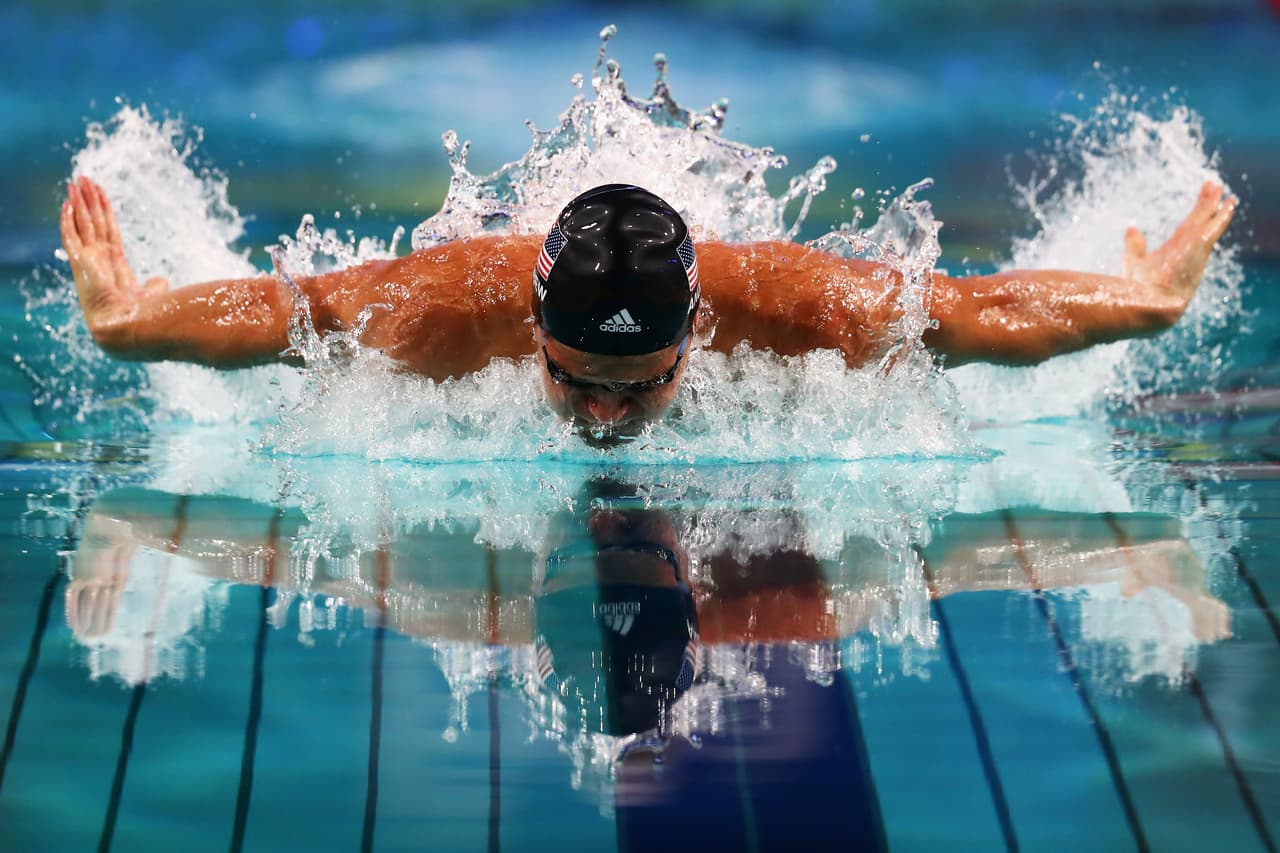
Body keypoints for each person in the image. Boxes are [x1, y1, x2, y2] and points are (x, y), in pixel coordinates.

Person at [60, 176, 1236, 433]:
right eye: (575, 381)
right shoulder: (432, 313)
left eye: (639, 388)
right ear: (531, 331)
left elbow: (978, 315)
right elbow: (291, 314)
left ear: (697, 337)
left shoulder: (796, 310)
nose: (601, 419)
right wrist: (129, 318)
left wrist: (1139, 300)